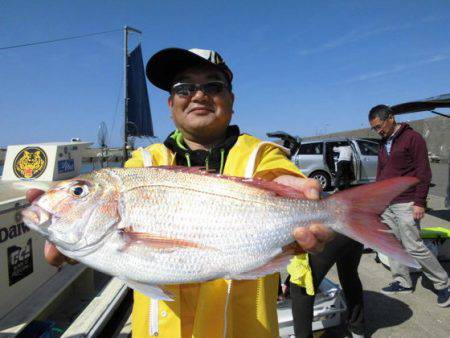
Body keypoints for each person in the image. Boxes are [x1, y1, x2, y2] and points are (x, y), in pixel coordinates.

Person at [36, 47, 335, 338]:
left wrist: (307, 204)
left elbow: (282, 178)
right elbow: (105, 236)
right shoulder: (142, 164)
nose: (199, 95)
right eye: (184, 88)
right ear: (170, 105)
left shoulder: (261, 156)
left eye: (214, 86)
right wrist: (74, 245)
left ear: (231, 100)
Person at [368, 104, 450, 307]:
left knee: (414, 246)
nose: (378, 131)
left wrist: (420, 202)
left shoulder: (413, 138)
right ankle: (402, 281)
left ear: (391, 118)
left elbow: (424, 172)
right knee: (392, 244)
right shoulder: (383, 142)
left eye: (379, 126)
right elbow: (381, 174)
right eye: (374, 128)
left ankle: (443, 284)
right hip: (388, 203)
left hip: (407, 201)